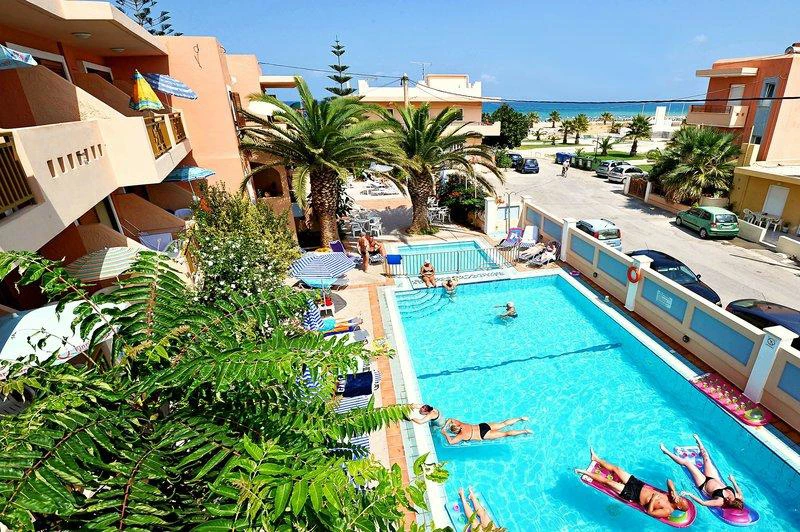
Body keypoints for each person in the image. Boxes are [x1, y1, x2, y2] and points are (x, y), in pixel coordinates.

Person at [575, 448, 689, 519]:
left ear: (678, 506)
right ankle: (596, 459)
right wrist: (674, 491)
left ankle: (584, 472)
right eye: (680, 497)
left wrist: (653, 499)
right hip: (638, 485)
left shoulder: (667, 511)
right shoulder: (671, 496)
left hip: (633, 495)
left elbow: (650, 513)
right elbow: (669, 480)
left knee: (608, 482)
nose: (678, 497)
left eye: (680, 500)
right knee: (617, 469)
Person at [660, 434, 745, 510]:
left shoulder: (720, 501)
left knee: (687, 463)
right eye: (729, 499)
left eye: (728, 501)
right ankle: (699, 442)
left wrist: (689, 494)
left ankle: (666, 451)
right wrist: (733, 481)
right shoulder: (738, 496)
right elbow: (740, 492)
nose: (727, 499)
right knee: (706, 458)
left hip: (704, 483)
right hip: (714, 478)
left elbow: (703, 503)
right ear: (735, 499)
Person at [441, 417, 531, 444]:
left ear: (455, 432)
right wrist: (445, 426)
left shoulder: (461, 435)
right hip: (482, 426)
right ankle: (520, 418)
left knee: (505, 433)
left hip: (482, 434)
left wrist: (444, 433)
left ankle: (524, 431)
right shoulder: (461, 424)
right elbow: (450, 419)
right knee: (503, 424)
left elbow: (451, 442)